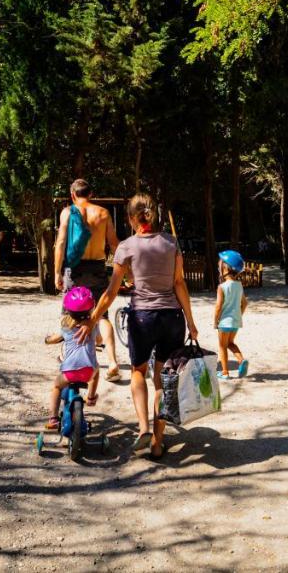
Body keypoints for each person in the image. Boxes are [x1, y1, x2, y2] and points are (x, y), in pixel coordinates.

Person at [78, 192, 198, 458]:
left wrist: (93, 319)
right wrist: (190, 320)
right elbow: (179, 283)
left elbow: (111, 291)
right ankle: (157, 443)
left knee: (137, 371)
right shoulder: (171, 243)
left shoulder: (127, 247)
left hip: (142, 318)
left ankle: (143, 427)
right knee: (162, 379)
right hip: (171, 318)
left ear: (133, 218)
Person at [53, 179, 122, 380]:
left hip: (74, 269)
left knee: (69, 313)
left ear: (72, 194)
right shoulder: (103, 213)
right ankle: (112, 362)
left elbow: (61, 243)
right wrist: (125, 270)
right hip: (97, 266)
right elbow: (114, 243)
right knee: (102, 315)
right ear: (90, 194)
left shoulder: (67, 212)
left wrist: (57, 272)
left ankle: (70, 355)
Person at [43, 286, 100, 430]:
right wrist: (96, 342)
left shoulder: (66, 327)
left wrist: (47, 340)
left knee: (56, 386)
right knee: (97, 370)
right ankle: (91, 397)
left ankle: (53, 418)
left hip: (70, 371)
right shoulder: (93, 326)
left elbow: (55, 338)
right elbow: (99, 340)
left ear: (68, 310)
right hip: (89, 371)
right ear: (91, 308)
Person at [214, 249, 249, 379]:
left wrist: (215, 320)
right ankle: (241, 360)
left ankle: (224, 372)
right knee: (230, 343)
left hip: (224, 322)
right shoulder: (239, 285)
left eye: (220, 264)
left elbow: (218, 306)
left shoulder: (222, 287)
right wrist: (238, 315)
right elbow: (244, 303)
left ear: (225, 267)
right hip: (235, 321)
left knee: (222, 346)